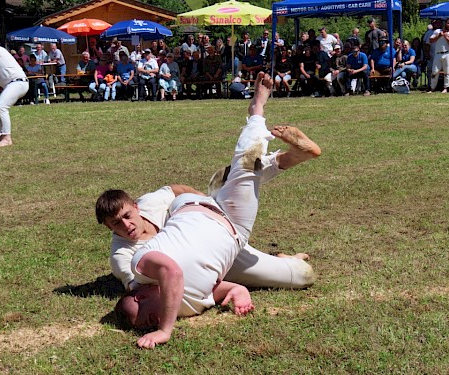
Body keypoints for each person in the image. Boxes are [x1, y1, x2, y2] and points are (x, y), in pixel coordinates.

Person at [99, 72, 321, 348]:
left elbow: (174, 197)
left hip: (196, 210)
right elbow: (206, 287)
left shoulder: (143, 250)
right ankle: (279, 173)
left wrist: (206, 200)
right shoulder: (124, 258)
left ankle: (257, 110)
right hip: (232, 239)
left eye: (126, 217)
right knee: (303, 276)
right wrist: (239, 293)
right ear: (109, 229)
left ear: (135, 206)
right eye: (116, 224)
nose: (126, 226)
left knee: (244, 166)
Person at [428, 18, 449, 94]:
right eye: (448, 23)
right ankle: (432, 88)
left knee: (447, 71)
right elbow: (431, 40)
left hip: (448, 54)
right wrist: (439, 36)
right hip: (438, 53)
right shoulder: (437, 31)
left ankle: (445, 87)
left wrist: (447, 37)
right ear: (445, 24)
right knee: (435, 71)